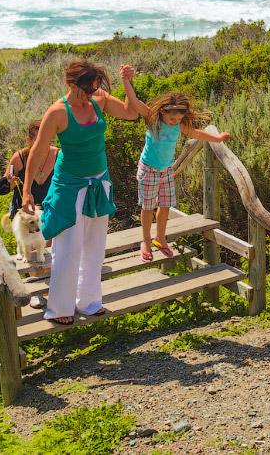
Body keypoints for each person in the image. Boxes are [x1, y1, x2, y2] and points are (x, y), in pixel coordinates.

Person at [21, 60, 139, 325]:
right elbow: (38, 150)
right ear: (71, 83)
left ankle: (88, 303)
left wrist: (127, 81)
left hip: (99, 183)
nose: (89, 94)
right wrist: (27, 191)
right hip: (70, 186)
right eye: (85, 89)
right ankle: (60, 308)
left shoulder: (98, 98)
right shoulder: (58, 112)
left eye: (94, 88)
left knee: (95, 247)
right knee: (67, 249)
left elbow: (132, 113)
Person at [128, 91, 230, 262]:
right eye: (172, 119)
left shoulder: (179, 126)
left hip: (167, 171)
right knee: (147, 207)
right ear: (162, 111)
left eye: (178, 119)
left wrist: (217, 138)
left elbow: (197, 133)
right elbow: (135, 102)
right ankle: (145, 241)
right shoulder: (153, 121)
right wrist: (126, 80)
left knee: (165, 205)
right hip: (149, 170)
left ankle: (160, 237)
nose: (175, 122)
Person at [2, 120, 59, 220]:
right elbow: (0, 189)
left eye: (48, 139)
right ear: (29, 140)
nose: (44, 143)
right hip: (26, 219)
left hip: (52, 218)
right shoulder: (20, 158)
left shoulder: (59, 156)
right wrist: (11, 184)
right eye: (39, 140)